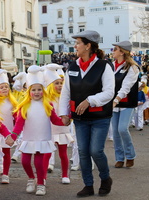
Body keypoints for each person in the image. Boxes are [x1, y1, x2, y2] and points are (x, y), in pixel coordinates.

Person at [59, 30, 114, 197]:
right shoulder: (73, 66)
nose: (75, 46)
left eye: (78, 43)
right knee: (83, 151)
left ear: (88, 45)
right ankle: (88, 185)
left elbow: (109, 92)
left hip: (100, 117)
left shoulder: (104, 66)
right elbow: (66, 92)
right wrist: (64, 113)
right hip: (80, 118)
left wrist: (90, 100)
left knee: (96, 151)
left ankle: (105, 179)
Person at [11, 65, 66, 196]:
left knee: (39, 163)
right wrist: (12, 136)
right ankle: (31, 178)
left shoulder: (48, 104)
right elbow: (19, 124)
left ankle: (41, 184)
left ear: (43, 90)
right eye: (34, 90)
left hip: (43, 138)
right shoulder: (24, 106)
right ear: (29, 91)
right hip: (29, 138)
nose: (36, 92)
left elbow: (55, 120)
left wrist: (64, 121)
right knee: (24, 161)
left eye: (39, 89)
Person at [43, 64, 74, 184]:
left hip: (62, 130)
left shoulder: (66, 98)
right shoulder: (47, 100)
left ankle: (65, 175)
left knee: (63, 154)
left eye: (61, 83)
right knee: (47, 154)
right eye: (56, 83)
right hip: (50, 129)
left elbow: (70, 110)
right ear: (50, 85)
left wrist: (69, 118)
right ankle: (43, 177)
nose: (60, 86)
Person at [111, 41, 139, 169]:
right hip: (113, 104)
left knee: (122, 129)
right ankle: (119, 158)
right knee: (115, 132)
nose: (113, 51)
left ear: (122, 52)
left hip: (127, 103)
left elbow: (126, 87)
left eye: (115, 49)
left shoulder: (132, 68)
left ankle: (130, 155)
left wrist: (116, 99)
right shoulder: (111, 66)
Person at [0, 69, 18, 184]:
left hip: (8, 132)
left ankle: (5, 174)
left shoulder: (12, 102)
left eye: (6, 87)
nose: (4, 89)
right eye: (1, 87)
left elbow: (17, 117)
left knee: (6, 153)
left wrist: (16, 131)